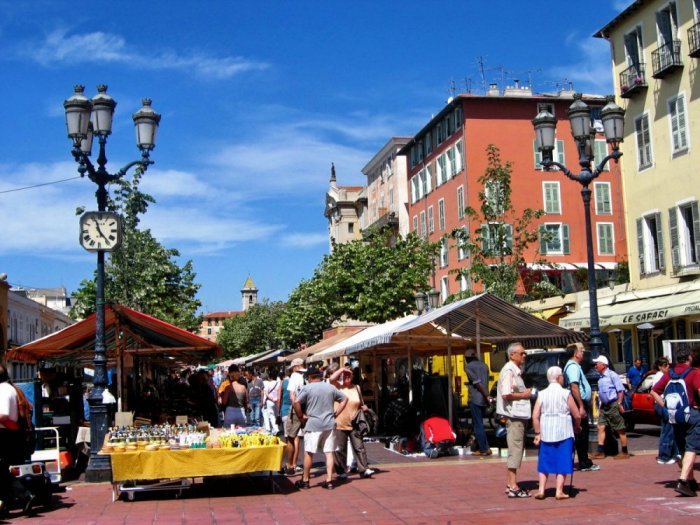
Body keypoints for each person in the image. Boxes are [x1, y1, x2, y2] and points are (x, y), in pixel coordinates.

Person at [651, 347, 700, 496]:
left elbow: (654, 391)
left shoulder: (669, 374)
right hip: (692, 413)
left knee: (682, 448)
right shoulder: (694, 373)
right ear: (689, 358)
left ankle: (691, 481)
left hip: (675, 415)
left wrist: (665, 407)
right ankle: (683, 481)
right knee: (692, 447)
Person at [293, 366, 347, 490]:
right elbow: (345, 399)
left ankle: (305, 480)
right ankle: (329, 480)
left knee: (309, 452)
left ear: (310, 377)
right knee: (329, 452)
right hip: (329, 423)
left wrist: (301, 416)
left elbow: (296, 402)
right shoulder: (330, 387)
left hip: (313, 423)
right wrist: (336, 413)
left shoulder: (307, 388)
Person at [532, 366, 581, 500]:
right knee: (563, 460)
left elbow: (535, 415)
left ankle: (541, 490)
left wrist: (537, 433)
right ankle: (559, 491)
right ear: (559, 377)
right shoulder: (566, 393)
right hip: (563, 431)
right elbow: (576, 414)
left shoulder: (542, 394)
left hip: (546, 431)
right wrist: (578, 426)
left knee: (544, 461)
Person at [496, 342, 532, 498]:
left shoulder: (514, 371)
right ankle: (513, 486)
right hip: (514, 415)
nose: (524, 355)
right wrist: (524, 395)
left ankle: (510, 483)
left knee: (517, 448)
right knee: (516, 449)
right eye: (521, 353)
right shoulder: (509, 370)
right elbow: (506, 394)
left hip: (519, 414)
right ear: (512, 355)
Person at [0, 365, 35, 514]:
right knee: (2, 470)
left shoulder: (3, 390)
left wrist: (13, 428)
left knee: (1, 471)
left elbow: (3, 415)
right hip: (10, 435)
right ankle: (6, 503)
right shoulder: (10, 388)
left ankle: (24, 495)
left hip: (4, 435)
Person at [329, 367, 374, 479]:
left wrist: (365, 408)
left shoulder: (357, 387)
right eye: (345, 375)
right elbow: (331, 378)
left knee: (359, 446)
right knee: (340, 448)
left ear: (353, 376)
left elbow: (360, 403)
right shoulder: (337, 386)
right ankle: (341, 471)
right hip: (339, 422)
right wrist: (343, 369)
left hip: (355, 422)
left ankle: (364, 469)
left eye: (350, 375)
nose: (347, 377)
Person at [563, 342, 599, 472]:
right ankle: (584, 462)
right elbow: (574, 386)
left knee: (581, 433)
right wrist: (581, 406)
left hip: (580, 401)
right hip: (579, 402)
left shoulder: (574, 366)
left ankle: (584, 460)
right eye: (581, 350)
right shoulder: (573, 367)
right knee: (581, 433)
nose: (583, 352)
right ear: (575, 353)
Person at [590, 355, 630, 460]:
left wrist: (619, 403)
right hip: (604, 406)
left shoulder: (612, 375)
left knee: (619, 428)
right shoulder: (600, 378)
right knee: (601, 426)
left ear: (603, 365)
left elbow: (620, 390)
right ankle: (600, 451)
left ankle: (625, 451)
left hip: (613, 404)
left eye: (597, 363)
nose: (595, 366)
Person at [649, 357, 679, 464]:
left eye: (668, 365)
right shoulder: (660, 376)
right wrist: (663, 404)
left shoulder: (661, 375)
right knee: (667, 429)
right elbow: (656, 391)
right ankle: (664, 455)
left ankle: (674, 453)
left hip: (664, 404)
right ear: (660, 366)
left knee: (671, 429)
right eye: (665, 365)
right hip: (662, 404)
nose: (667, 367)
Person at [464, 347, 492, 456]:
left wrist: (487, 395)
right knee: (480, 423)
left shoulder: (468, 367)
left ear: (467, 358)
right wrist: (487, 397)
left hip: (476, 398)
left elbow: (477, 383)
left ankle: (483, 449)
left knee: (478, 424)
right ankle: (486, 447)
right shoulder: (484, 365)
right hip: (483, 400)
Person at [284, 358, 306, 476]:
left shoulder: (294, 376)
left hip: (297, 409)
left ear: (297, 366)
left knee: (291, 438)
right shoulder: (306, 376)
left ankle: (290, 466)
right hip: (306, 408)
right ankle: (295, 464)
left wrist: (298, 413)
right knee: (302, 439)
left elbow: (292, 396)